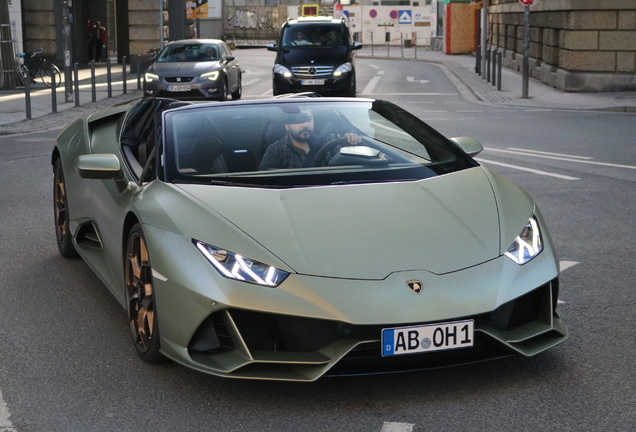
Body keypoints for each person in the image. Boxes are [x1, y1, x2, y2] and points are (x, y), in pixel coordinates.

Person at [259, 109, 361, 170]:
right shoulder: (275, 151)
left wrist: (351, 144)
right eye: (298, 120)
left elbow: (348, 168)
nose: (305, 125)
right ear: (286, 125)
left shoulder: (330, 141)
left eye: (308, 119)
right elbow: (266, 181)